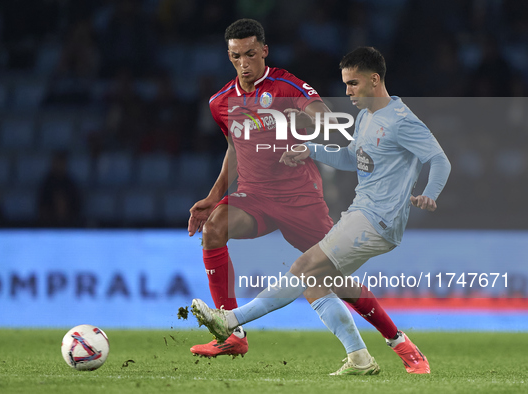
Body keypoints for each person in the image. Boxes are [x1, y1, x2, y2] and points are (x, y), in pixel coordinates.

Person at [192, 46, 451, 375]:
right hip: (359, 213)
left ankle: (230, 321)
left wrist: (430, 193)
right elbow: (349, 158)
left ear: (374, 80)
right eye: (345, 84)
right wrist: (309, 150)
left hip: (375, 220)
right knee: (318, 282)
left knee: (303, 267)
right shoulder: (366, 117)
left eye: (353, 84)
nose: (347, 91)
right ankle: (372, 355)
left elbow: (440, 159)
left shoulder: (401, 120)